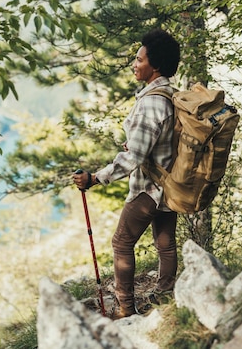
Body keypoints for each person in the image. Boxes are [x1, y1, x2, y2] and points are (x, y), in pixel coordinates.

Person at [72, 28, 181, 319]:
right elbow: (157, 141)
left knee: (121, 242)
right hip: (170, 184)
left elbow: (134, 156)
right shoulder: (170, 94)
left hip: (149, 189)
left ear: (154, 65)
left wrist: (96, 178)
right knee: (165, 243)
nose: (134, 64)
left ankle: (125, 308)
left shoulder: (151, 102)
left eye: (139, 58)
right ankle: (165, 296)